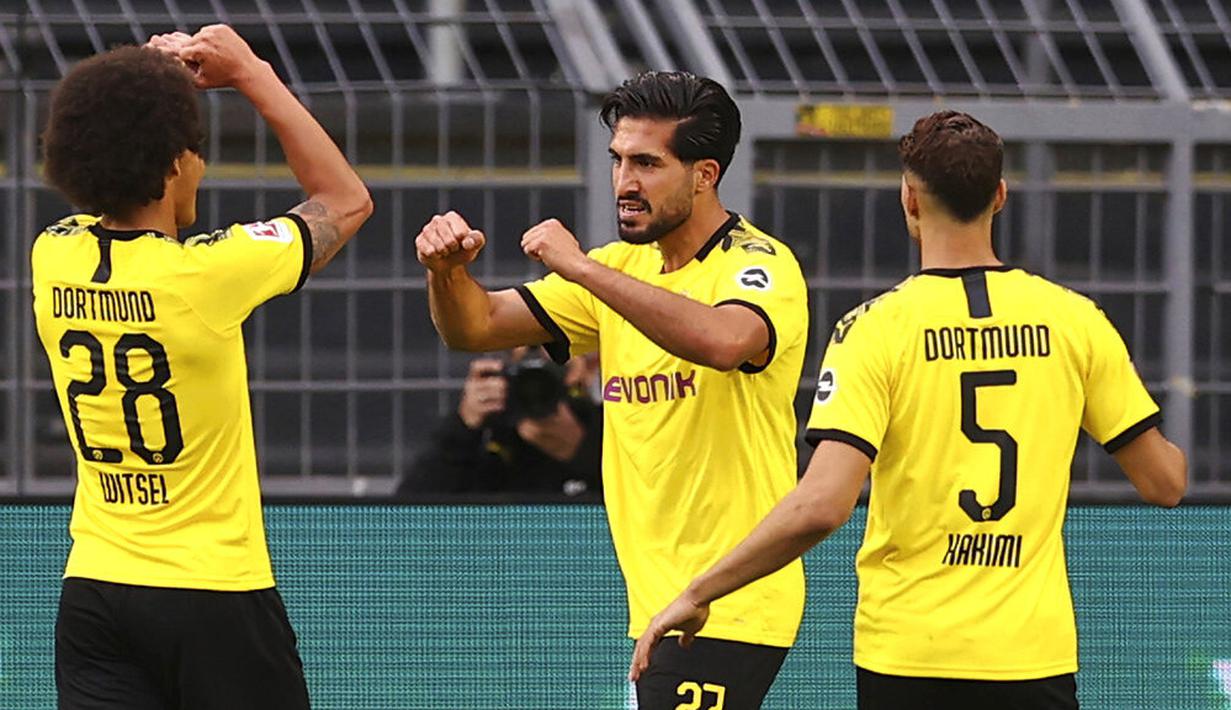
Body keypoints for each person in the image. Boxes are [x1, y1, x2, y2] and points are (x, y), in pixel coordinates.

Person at [630, 111, 1188, 709]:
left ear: (909, 198)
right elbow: (1165, 481)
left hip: (908, 655)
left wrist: (701, 590)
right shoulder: (1075, 322)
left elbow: (821, 506)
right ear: (999, 196)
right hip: (1031, 656)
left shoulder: (875, 330)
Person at [414, 71, 809, 707]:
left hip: (727, 603)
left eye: (648, 163)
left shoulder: (757, 263)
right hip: (660, 608)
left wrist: (577, 266)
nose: (625, 182)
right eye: (619, 160)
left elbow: (724, 341)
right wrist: (445, 273)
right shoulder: (619, 269)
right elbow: (475, 326)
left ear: (704, 174)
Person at [35, 25, 372, 709]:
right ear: (171, 165)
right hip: (214, 593)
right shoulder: (207, 275)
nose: (203, 166)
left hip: (94, 591)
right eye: (196, 152)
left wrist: (136, 80)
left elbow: (101, 152)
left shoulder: (52, 255)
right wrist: (251, 73)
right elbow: (345, 200)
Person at [395, 348, 603, 496]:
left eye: (553, 365)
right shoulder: (489, 431)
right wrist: (463, 427)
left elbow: (632, 514)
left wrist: (583, 451)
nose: (535, 386)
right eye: (525, 371)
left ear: (585, 370)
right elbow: (410, 519)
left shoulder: (611, 428)